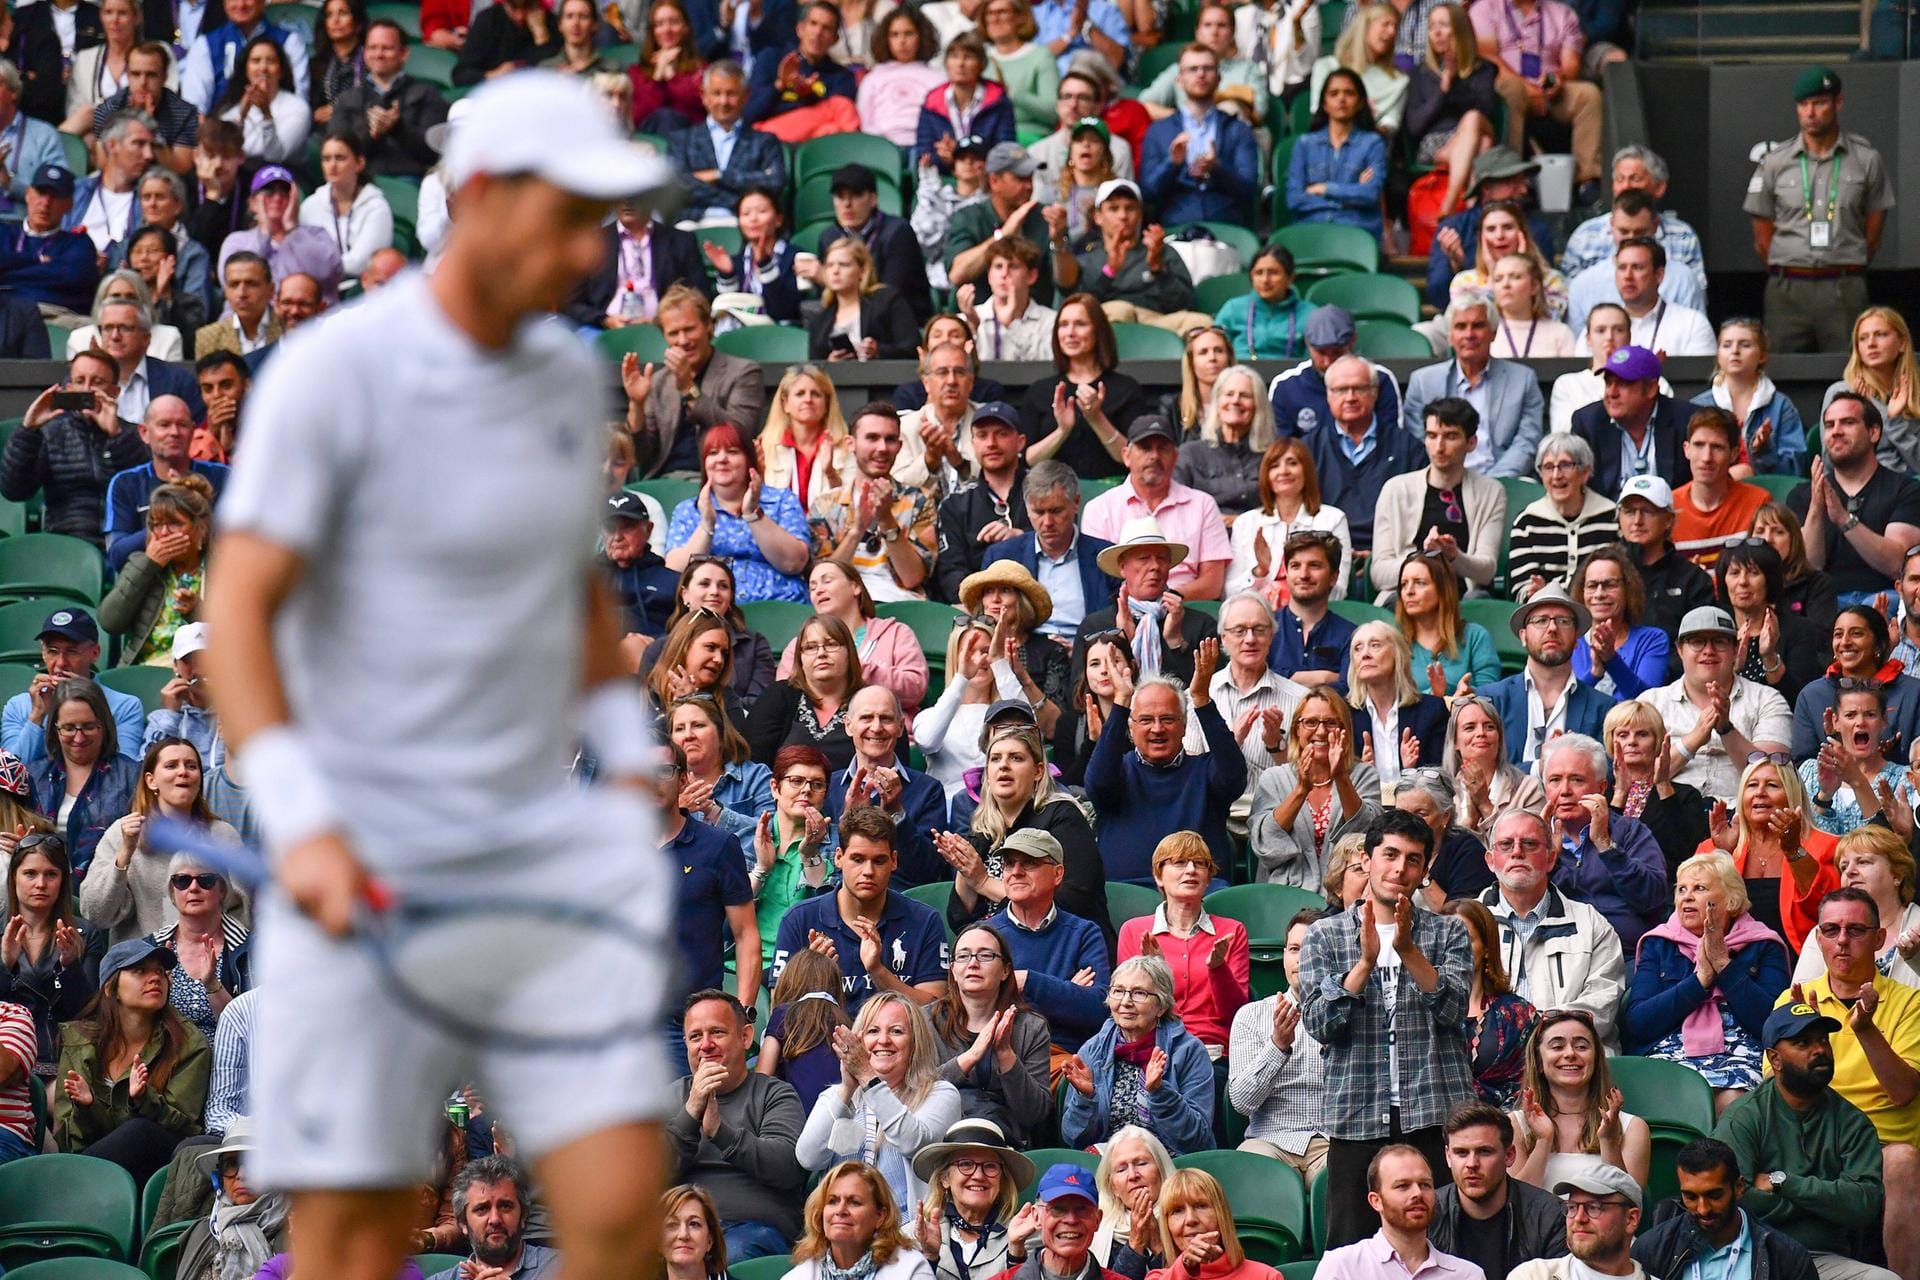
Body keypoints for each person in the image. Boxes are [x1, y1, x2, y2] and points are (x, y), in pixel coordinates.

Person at [195, 68, 685, 1280]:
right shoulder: (332, 371)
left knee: (621, 1204)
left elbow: (570, 589)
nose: (585, 247)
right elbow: (239, 609)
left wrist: (626, 756)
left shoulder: (571, 378)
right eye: (566, 212)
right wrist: (302, 821)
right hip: (361, 852)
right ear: (477, 197)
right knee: (354, 1244)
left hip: (528, 846)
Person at [1299, 810, 1476, 1248]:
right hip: (1355, 1114)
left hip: (1434, 1112)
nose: (1400, 868)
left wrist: (1408, 951)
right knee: (1349, 1249)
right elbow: (1320, 1023)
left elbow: (1455, 1011)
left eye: (1413, 860)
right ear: (1368, 858)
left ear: (1423, 871)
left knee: (1442, 1243)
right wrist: (1364, 964)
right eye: (1390, 855)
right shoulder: (1325, 936)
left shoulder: (1449, 931)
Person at [1780, 889, 1920, 1251]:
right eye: (1831, 930)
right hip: (1811, 1141)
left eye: (1856, 930)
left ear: (1879, 938)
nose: (1842, 941)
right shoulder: (1792, 1000)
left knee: (1904, 1161)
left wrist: (1865, 1029)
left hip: (1882, 1145)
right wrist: (1804, 1044)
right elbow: (1777, 1092)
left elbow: (1903, 1093)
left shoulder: (1910, 1003)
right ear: (1818, 938)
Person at [1714, 1002, 1894, 1280]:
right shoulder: (1744, 1118)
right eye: (1803, 1043)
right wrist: (1825, 1206)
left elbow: (1863, 1205)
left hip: (1822, 1258)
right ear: (1775, 1059)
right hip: (1752, 1255)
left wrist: (1783, 1183)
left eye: (1823, 1040)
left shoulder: (1852, 1122)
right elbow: (1733, 1200)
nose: (1820, 1049)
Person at [1743, 68, 1892, 355]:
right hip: (1787, 289)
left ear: (1838, 103)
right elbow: (1763, 237)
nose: (1810, 112)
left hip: (1844, 286)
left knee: (1851, 371)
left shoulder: (1866, 159)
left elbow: (1873, 232)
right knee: (1781, 372)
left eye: (1819, 103)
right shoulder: (1775, 161)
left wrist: (1846, 263)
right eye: (1803, 105)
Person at [1626, 852, 1791, 1111]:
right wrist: (1700, 980)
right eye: (1681, 889)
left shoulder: (1763, 944)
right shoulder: (1658, 943)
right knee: (1671, 1098)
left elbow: (1772, 1023)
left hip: (1741, 1049)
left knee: (1733, 1102)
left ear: (1731, 900)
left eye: (1699, 888)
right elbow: (1639, 1022)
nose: (1687, 897)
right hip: (1669, 1046)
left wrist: (1724, 966)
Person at [940, 820, 1111, 1053]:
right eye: (1009, 864)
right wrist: (1064, 992)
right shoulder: (982, 935)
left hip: (1064, 1058)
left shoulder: (1083, 933)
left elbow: (1098, 1010)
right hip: (997, 1054)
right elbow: (967, 1012)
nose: (1016, 872)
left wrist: (1027, 982)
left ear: (1058, 874)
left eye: (1029, 863)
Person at [51, 936, 210, 1185]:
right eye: (139, 971)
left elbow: (185, 1127)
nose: (155, 978)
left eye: (160, 971)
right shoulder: (78, 1041)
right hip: (95, 1162)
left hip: (160, 1162)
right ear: (110, 987)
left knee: (139, 1131)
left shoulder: (188, 1042)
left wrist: (143, 1100)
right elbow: (68, 1140)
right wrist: (88, 1108)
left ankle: (65, 1190)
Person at [1087, 645, 1244, 884]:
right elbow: (1097, 784)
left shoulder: (1205, 772)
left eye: (1168, 719)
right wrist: (1121, 701)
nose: (1157, 729)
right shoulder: (1117, 773)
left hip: (1198, 895)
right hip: (1126, 898)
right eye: (1146, 720)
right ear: (1131, 728)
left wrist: (1201, 699)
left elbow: (1234, 777)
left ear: (1183, 726)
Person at [669, 989, 808, 1260]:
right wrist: (690, 1114)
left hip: (753, 1231)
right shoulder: (672, 1096)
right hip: (680, 1232)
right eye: (696, 1037)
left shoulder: (774, 1094)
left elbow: (788, 1168)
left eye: (717, 1033)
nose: (706, 1045)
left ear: (745, 1037)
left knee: (731, 1254)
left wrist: (721, 1134)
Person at [797, 990, 963, 1217]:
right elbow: (808, 1157)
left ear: (915, 1043)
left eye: (896, 1031)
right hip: (844, 1237)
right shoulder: (838, 1096)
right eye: (873, 1031)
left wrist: (868, 1077)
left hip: (907, 1238)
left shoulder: (940, 1093)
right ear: (858, 1041)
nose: (883, 1040)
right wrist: (847, 1090)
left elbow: (913, 1142)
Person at [769, 806, 950, 1011]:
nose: (868, 871)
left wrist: (878, 971)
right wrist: (811, 973)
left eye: (879, 861)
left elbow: (936, 1009)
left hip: (898, 1040)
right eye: (858, 859)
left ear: (894, 861)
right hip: (822, 1040)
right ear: (839, 858)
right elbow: (778, 1008)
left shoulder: (924, 921)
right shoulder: (799, 920)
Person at [79, 737, 237, 945]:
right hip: (141, 967)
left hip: (210, 965)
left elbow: (240, 913)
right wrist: (125, 853)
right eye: (171, 766)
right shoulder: (122, 833)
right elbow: (96, 913)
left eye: (191, 766)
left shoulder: (222, 836)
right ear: (151, 780)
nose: (183, 772)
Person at [1060, 954, 1213, 1156]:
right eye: (1118, 991)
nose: (1125, 1002)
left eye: (1139, 993)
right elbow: (1073, 1138)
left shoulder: (1188, 1052)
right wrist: (1086, 1099)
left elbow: (1196, 1139)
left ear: (1162, 1006)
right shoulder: (1093, 1050)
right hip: (1110, 1159)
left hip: (1170, 1158)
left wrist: (1160, 1093)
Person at [1117, 832, 1249, 1063]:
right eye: (1179, 862)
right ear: (1158, 876)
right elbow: (1127, 1011)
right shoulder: (1134, 930)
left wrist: (1218, 969)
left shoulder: (1231, 931)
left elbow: (1236, 1014)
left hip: (1211, 1053)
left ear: (1208, 878)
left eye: (1200, 864)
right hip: (1149, 1050)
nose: (1191, 870)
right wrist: (1156, 970)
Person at [1641, 606, 1794, 802]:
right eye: (1697, 642)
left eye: (1719, 642)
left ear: (1736, 649)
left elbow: (1775, 778)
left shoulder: (1767, 699)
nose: (1708, 651)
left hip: (1742, 815)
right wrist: (1693, 740)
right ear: (1680, 650)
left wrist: (1726, 730)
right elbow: (1638, 780)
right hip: (1669, 814)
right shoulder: (1650, 703)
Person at [0, 351, 149, 546]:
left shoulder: (131, 434)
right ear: (68, 388)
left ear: (114, 392)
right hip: (67, 543)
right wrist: (28, 430)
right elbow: (14, 491)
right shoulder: (51, 434)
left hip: (124, 542)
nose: (86, 389)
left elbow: (147, 489)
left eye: (97, 382)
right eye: (79, 381)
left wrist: (117, 436)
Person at [1371, 399, 1508, 601]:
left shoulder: (1490, 492)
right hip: (1407, 597)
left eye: (1450, 437)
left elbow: (1487, 570)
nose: (1439, 447)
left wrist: (1453, 555)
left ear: (1471, 443)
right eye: (1432, 436)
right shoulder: (1396, 489)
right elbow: (1379, 574)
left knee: (1477, 600)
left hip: (1463, 596)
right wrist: (1422, 558)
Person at [926, 930, 1052, 1147]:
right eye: (963, 956)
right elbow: (913, 1093)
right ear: (953, 971)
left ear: (1005, 970)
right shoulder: (925, 1021)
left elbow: (1035, 1114)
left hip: (1006, 1144)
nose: (973, 963)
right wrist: (970, 1057)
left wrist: (1006, 1056)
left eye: (985, 955)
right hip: (939, 1139)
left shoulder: (1031, 1027)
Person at [1794, 394, 1920, 611]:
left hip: (1884, 597)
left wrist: (1844, 519)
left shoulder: (1906, 490)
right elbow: (1810, 566)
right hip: (1825, 599)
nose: (1836, 431)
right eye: (1829, 425)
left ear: (1874, 432)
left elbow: (1896, 566)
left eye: (1848, 422)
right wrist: (1816, 507)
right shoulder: (1804, 494)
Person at [1083, 417, 1232, 600]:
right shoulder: (1099, 509)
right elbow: (1098, 581)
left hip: (1188, 607)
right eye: (1145, 448)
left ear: (1176, 457)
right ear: (1126, 456)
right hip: (1122, 609)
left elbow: (1212, 584)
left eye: (1162, 448)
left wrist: (1166, 599)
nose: (1154, 456)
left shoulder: (1203, 505)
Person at [1630, 1138, 1820, 1280]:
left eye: (1714, 1195)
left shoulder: (1787, 1258)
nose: (1703, 1209)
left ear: (1738, 1188)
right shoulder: (1650, 1250)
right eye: (1691, 1197)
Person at [1249, 686, 1380, 888]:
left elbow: (1369, 837)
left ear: (1345, 730)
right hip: (1286, 894)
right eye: (1310, 722)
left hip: (1344, 896)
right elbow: (1264, 845)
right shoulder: (1273, 778)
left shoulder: (1364, 775)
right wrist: (1301, 790)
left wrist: (1342, 778)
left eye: (1330, 723)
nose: (1321, 731)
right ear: (1296, 730)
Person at [1470, 0, 1600, 200]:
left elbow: (1570, 64)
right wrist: (1527, 87)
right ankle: (1511, 175)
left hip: (1548, 89)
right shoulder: (1484, 8)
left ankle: (1587, 181)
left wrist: (1553, 81)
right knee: (1511, 89)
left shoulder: (1562, 13)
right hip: (1507, 85)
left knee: (1588, 94)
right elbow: (1488, 58)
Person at [665, 427, 810, 605]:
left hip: (783, 605)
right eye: (713, 453)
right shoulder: (689, 510)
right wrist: (707, 526)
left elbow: (794, 563)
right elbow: (675, 571)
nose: (722, 459)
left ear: (749, 460)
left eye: (733, 452)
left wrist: (753, 514)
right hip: (715, 613)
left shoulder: (781, 500)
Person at [1508, 1009, 1650, 1190]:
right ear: (1539, 1061)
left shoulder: (1632, 1127)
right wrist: (1543, 1142)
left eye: (1581, 1046)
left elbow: (1630, 1205)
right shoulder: (1516, 1124)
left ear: (1596, 1059)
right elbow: (1516, 1204)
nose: (1570, 1054)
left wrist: (1609, 1143)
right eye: (1557, 1046)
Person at [1017, 293, 1146, 482]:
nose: (1070, 332)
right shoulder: (1040, 391)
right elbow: (1029, 460)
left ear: (1098, 331)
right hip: (1052, 498)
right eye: (1063, 325)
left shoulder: (1126, 389)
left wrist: (1096, 418)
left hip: (1111, 497)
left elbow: (1132, 458)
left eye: (1080, 324)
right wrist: (1062, 430)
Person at [1479, 587, 1615, 766]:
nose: (1552, 628)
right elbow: (1482, 769)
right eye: (1540, 620)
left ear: (1576, 639)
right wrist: (1539, 768)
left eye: (1563, 621)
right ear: (1523, 636)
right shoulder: (1491, 701)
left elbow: (1603, 775)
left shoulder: (1602, 708)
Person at [1430, 1103, 1568, 1279]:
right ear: (1448, 1156)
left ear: (1509, 1155)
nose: (1472, 1164)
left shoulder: (1549, 1216)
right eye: (1461, 1153)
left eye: (1484, 1152)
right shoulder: (1428, 1213)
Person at [1065, 179, 1210, 338]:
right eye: (1114, 209)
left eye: (1130, 208)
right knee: (1119, 310)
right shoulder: (1088, 259)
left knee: (1201, 322)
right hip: (1112, 321)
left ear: (1140, 213)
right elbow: (1082, 309)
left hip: (1158, 321)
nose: (1123, 216)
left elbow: (1185, 304)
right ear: (1098, 217)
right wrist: (1109, 272)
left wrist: (1159, 269)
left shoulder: (1162, 251)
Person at [1315, 1146, 1479, 1280]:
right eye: (1402, 1186)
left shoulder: (1466, 1275)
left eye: (1425, 1185)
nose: (1417, 1193)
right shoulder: (1341, 1267)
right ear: (1376, 1201)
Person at [98, 473, 211, 668]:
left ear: (200, 527)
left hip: (203, 675)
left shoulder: (222, 567)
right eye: (156, 525)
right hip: (144, 672)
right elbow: (109, 622)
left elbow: (238, 635)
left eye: (174, 523)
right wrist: (148, 565)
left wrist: (197, 610)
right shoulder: (140, 563)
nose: (164, 533)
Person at [1139, 43, 1258, 227]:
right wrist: (1172, 163)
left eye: (1207, 68)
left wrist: (1217, 168)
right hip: (1175, 227)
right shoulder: (1159, 130)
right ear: (1179, 79)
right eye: (1192, 69)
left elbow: (1249, 190)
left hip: (1226, 227)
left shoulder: (1238, 129)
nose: (1200, 74)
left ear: (1219, 78)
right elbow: (1147, 192)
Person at [28, 680, 140, 875]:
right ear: (55, 729)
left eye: (88, 726)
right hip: (42, 891)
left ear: (104, 726)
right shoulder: (34, 776)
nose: (79, 738)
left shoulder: (131, 776)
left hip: (111, 886)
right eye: (69, 728)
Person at [1792, 826, 1920, 988]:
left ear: (1897, 875)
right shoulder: (1826, 931)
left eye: (1863, 862)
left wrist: (1916, 957)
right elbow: (1798, 999)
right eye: (1844, 866)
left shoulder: (1917, 923)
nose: (1850, 872)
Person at [908, 1119, 1037, 1280]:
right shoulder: (912, 1236)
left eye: (990, 1166)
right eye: (966, 1164)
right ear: (945, 1178)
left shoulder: (1028, 1236)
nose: (978, 1176)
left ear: (1002, 1180)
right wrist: (929, 1257)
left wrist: (1016, 1253)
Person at [1226, 440, 1352, 603]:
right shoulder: (1245, 523)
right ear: (1266, 475)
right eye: (1274, 466)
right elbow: (1229, 594)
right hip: (1257, 617)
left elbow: (1338, 591)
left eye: (1292, 463)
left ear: (1306, 471)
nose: (1283, 471)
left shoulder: (1333, 519)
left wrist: (1295, 595)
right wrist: (1260, 571)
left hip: (1313, 614)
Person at [320, 19, 446, 180]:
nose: (379, 54)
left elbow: (434, 152)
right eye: (373, 48)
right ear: (364, 53)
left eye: (387, 48)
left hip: (411, 183)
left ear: (404, 54)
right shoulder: (347, 99)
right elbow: (336, 152)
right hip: (359, 183)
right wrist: (370, 133)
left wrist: (397, 129)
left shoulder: (426, 94)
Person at [1403, 4, 1496, 217]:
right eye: (1431, 26)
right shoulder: (1420, 73)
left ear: (1459, 30)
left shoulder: (1484, 70)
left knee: (1473, 119)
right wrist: (1443, 89)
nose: (1436, 32)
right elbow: (1414, 127)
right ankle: (1472, 208)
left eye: (1443, 25)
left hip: (1475, 127)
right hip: (1436, 145)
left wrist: (1456, 83)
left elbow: (1488, 112)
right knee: (1483, 144)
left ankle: (1450, 203)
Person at [1716, 539, 1824, 714]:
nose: (1743, 581)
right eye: (1734, 573)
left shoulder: (1799, 630)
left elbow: (1802, 703)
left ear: (1770, 580)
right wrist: (1731, 668)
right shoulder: (1715, 632)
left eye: (1753, 573)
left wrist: (1769, 657)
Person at [1269, 306, 1405, 443]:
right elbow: (1282, 450)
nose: (1328, 362)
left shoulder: (1379, 377)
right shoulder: (1285, 386)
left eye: (1336, 352)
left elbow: (1392, 441)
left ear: (1353, 341)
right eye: (1321, 352)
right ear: (1307, 343)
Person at [1507, 437, 1618, 605]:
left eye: (1566, 465)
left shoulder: (1611, 516)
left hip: (1600, 611)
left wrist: (1552, 591)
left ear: (1585, 472)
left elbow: (1616, 580)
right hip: (1546, 612)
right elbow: (1521, 588)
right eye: (1548, 467)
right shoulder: (1527, 522)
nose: (1556, 475)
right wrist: (1534, 592)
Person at [747, 614, 862, 769]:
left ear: (849, 652)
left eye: (831, 644)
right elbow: (752, 765)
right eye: (811, 647)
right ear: (800, 658)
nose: (821, 653)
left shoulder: (870, 701)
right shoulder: (778, 696)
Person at [216, 167, 344, 304]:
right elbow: (233, 285)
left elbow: (326, 272)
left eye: (285, 192)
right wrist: (264, 234)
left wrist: (292, 231)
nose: (277, 198)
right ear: (253, 202)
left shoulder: (317, 235)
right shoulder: (237, 241)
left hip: (309, 319)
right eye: (269, 192)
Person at [1286, 68, 1387, 242]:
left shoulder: (1372, 143)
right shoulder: (1305, 144)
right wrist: (1352, 194)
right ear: (1324, 103)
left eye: (1349, 93)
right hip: (1312, 228)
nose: (1341, 99)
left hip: (1357, 231)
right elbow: (1294, 199)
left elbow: (1370, 194)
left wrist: (1323, 189)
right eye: (1334, 93)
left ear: (1361, 102)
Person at [1352, 621, 1449, 790]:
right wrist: (1364, 776)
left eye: (1375, 645)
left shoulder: (1431, 711)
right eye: (1357, 648)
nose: (1365, 654)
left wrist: (1410, 771)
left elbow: (1441, 783)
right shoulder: (1345, 714)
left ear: (1397, 654)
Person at [1506, 1165, 1650, 1280]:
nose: (1579, 1218)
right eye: (1572, 1207)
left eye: (1594, 1208)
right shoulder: (1534, 1275)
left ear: (1631, 1219)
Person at [1824, 307, 1920, 477]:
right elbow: (1831, 462)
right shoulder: (1842, 393)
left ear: (1902, 343)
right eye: (1863, 338)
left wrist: (1897, 421)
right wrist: (1861, 416)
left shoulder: (1915, 395)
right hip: (1859, 493)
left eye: (1881, 334)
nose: (1871, 344)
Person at [1172, 367, 1274, 521]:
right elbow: (1175, 507)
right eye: (1229, 394)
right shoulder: (1190, 454)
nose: (1235, 401)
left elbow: (1286, 507)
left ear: (1258, 406)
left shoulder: (1273, 456)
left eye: (1245, 395)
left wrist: (1240, 522)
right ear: (1217, 403)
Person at [0, 162, 98, 319]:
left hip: (57, 316)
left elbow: (72, 277)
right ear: (28, 194)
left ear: (69, 204)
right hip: (6, 313)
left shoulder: (79, 243)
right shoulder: (3, 232)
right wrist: (36, 260)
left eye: (55, 197)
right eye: (41, 193)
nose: (45, 203)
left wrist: (9, 270)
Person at [1445, 698, 1544, 843]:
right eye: (1469, 728)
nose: (1481, 733)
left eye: (1489, 727)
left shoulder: (1529, 789)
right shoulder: (1444, 794)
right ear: (1454, 742)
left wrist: (1485, 804)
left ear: (1499, 737)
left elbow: (1528, 846)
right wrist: (1470, 823)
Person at [1447, 202, 1566, 323]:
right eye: (1491, 229)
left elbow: (1549, 323)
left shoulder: (1553, 279)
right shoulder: (1463, 282)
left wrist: (1522, 269)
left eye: (1508, 227)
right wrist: (1494, 276)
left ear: (1522, 233)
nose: (1499, 236)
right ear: (1481, 237)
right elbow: (1478, 329)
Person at [1752, 502, 1838, 644]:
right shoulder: (1741, 584)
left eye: (1778, 532)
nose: (1767, 539)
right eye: (1760, 531)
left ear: (1794, 539)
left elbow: (1819, 639)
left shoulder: (1818, 584)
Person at [195, 251, 282, 358]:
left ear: (271, 290)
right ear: (225, 291)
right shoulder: (208, 337)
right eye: (234, 285)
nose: (241, 294)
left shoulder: (291, 331)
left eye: (251, 284)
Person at [1487, 256, 1576, 359]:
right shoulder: (1484, 333)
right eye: (1498, 279)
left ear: (1534, 286)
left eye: (1515, 277)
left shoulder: (1560, 333)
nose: (1505, 284)